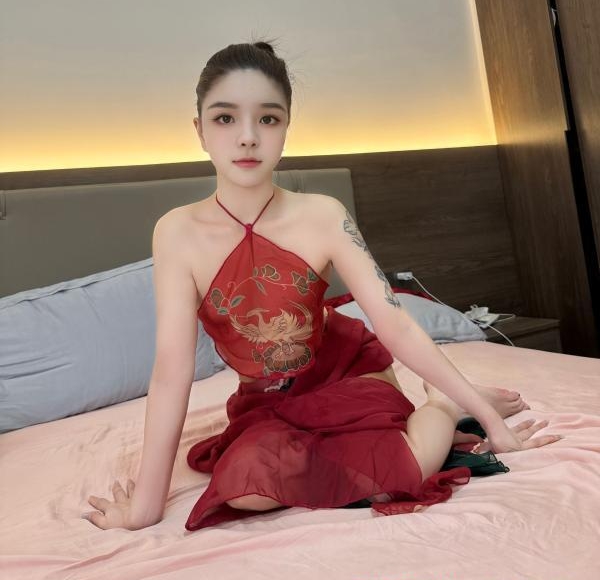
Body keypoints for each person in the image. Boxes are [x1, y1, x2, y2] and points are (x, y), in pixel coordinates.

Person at [83, 41, 562, 531]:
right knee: (247, 489)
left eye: (268, 119)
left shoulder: (323, 215)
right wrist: (145, 508)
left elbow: (395, 323)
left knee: (395, 472)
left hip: (345, 375)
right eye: (225, 118)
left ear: (286, 126)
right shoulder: (176, 232)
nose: (247, 137)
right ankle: (430, 413)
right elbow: (171, 370)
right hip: (267, 401)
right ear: (200, 130)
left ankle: (443, 404)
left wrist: (493, 423)